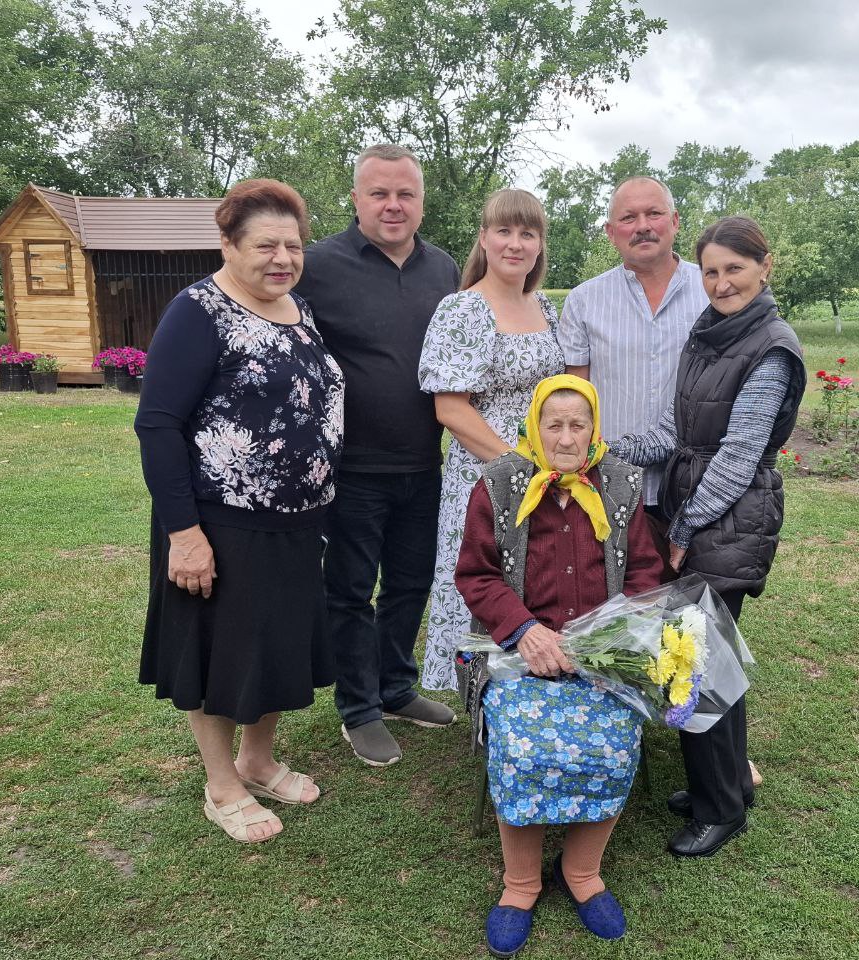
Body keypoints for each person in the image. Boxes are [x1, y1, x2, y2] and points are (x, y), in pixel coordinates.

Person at [135, 179, 345, 843]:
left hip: (295, 522)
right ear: (227, 244)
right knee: (219, 655)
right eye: (265, 245)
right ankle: (221, 784)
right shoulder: (198, 311)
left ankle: (258, 761)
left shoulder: (299, 309)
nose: (283, 258)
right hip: (220, 521)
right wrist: (184, 535)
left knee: (275, 646)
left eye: (294, 245)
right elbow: (158, 425)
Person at [610, 216, 806, 858]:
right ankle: (725, 785)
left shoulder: (771, 347)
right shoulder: (710, 331)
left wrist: (686, 526)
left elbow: (739, 456)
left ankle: (720, 809)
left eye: (735, 269)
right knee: (706, 656)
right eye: (712, 272)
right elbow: (676, 430)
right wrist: (605, 450)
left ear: (765, 267)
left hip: (728, 515)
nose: (722, 283)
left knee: (697, 659)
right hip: (693, 505)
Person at [455, 375, 663, 957]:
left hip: (600, 654)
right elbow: (476, 574)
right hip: (519, 651)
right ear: (535, 428)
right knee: (523, 745)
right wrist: (525, 631)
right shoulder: (500, 483)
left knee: (613, 741)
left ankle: (581, 871)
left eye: (578, 425)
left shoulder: (620, 483)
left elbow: (645, 573)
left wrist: (607, 638)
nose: (567, 438)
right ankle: (521, 883)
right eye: (555, 425)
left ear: (593, 429)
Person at [295, 145, 461, 767]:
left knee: (411, 584)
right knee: (350, 590)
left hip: (424, 462)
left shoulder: (443, 269)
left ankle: (395, 688)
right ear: (357, 199)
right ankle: (359, 707)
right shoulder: (317, 266)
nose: (393, 205)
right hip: (351, 468)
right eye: (379, 194)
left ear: (421, 201)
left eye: (405, 194)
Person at [416, 188, 565, 693]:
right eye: (504, 231)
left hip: (545, 473)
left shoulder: (544, 306)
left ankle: (528, 686)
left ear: (540, 244)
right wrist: (519, 467)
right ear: (484, 238)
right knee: (486, 576)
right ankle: (476, 688)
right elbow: (450, 408)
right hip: (485, 475)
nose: (515, 244)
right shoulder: (463, 310)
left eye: (528, 233)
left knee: (534, 575)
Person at [558, 176, 708, 512]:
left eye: (654, 213)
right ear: (611, 232)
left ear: (675, 221)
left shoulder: (712, 291)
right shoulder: (584, 301)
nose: (642, 226)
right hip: (609, 487)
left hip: (696, 486)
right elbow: (575, 398)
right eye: (628, 218)